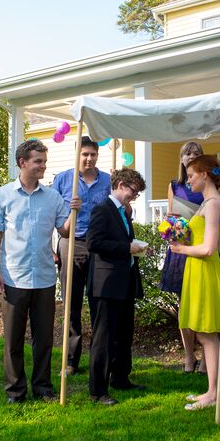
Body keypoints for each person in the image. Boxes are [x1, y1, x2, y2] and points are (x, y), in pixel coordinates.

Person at [0, 139, 81, 404]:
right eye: (38, 161)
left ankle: (43, 387)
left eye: (44, 161)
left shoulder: (52, 197)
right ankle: (15, 391)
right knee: (13, 340)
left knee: (44, 339)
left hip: (44, 278)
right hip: (14, 277)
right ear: (23, 163)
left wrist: (73, 212)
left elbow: (64, 231)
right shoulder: (3, 195)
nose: (43, 166)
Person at [170, 155, 220, 411]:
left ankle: (213, 393)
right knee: (204, 334)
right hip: (198, 271)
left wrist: (180, 250)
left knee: (207, 335)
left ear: (205, 174)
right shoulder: (209, 202)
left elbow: (210, 248)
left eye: (192, 175)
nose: (189, 180)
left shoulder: (214, 204)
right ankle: (211, 391)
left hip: (205, 271)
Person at [85, 168, 147, 405]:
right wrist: (126, 248)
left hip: (124, 281)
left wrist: (136, 248)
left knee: (123, 333)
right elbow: (94, 242)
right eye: (133, 191)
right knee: (104, 338)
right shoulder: (102, 209)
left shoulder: (123, 212)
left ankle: (121, 377)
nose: (134, 196)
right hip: (106, 283)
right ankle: (97, 390)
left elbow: (122, 241)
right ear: (120, 184)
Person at [52, 136, 112, 375]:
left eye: (93, 155)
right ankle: (70, 361)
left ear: (97, 156)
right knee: (71, 304)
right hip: (71, 242)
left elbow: (119, 211)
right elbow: (54, 220)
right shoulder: (63, 180)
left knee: (100, 303)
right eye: (85, 154)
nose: (89, 159)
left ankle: (100, 360)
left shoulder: (107, 181)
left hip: (99, 246)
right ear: (77, 153)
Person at [159, 141, 206, 374]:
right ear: (181, 158)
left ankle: (207, 359)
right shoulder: (173, 185)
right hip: (180, 249)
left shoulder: (208, 184)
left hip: (204, 246)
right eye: (188, 153)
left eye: (196, 153)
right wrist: (170, 222)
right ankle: (189, 357)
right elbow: (170, 217)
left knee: (206, 304)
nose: (191, 156)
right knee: (184, 306)